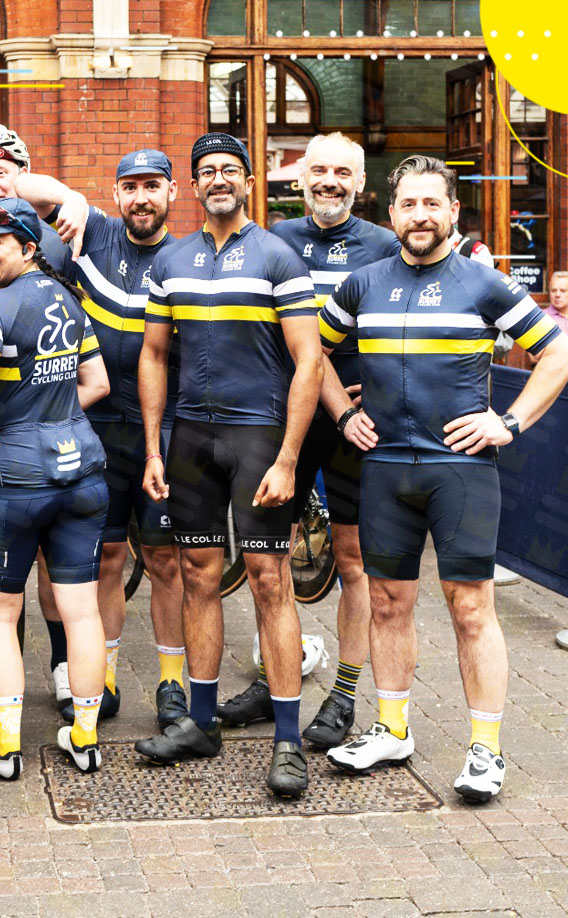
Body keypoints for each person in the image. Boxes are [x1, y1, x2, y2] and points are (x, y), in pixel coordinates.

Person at [320, 155, 568, 802]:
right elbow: (312, 353)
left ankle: (486, 751)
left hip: (460, 471)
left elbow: (558, 352)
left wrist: (508, 423)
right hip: (383, 470)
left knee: (470, 609)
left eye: (434, 204)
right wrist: (343, 413)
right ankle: (393, 727)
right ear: (392, 212)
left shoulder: (482, 283)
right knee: (386, 603)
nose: (420, 216)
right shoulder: (362, 283)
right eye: (409, 205)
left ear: (454, 212)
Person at [133, 132, 323, 799]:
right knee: (197, 574)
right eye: (207, 170)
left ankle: (288, 741)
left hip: (257, 438)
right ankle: (202, 722)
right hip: (191, 441)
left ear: (249, 182)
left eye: (230, 170)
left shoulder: (277, 255)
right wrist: (155, 447)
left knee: (271, 581)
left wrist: (290, 458)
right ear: (193, 184)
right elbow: (153, 355)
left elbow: (310, 361)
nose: (219, 179)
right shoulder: (173, 261)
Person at [0, 197, 110, 778]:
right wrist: (53, 413)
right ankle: (85, 739)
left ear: (28, 247)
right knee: (82, 613)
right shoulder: (66, 296)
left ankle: (7, 745)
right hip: (82, 468)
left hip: (13, 477)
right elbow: (97, 380)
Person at [261, 132, 401, 749]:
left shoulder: (385, 245)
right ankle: (278, 675)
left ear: (360, 183)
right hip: (285, 415)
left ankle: (344, 691)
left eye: (342, 172)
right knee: (269, 559)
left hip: (354, 423)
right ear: (300, 177)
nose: (329, 181)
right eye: (318, 170)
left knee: (352, 559)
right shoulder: (273, 239)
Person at [0, 122, 88, 707]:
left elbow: (80, 349)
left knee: (49, 571)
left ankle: (56, 668)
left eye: (0, 171)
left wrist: (43, 411)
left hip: (18, 430)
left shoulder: (53, 237)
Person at [63, 149, 186, 729]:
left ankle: (170, 681)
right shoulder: (98, 236)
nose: (141, 197)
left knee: (165, 560)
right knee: (107, 557)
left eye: (152, 186)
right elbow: (25, 184)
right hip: (96, 429)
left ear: (171, 194)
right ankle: (105, 675)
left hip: (161, 431)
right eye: (130, 186)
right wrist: (66, 200)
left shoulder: (187, 258)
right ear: (115, 195)